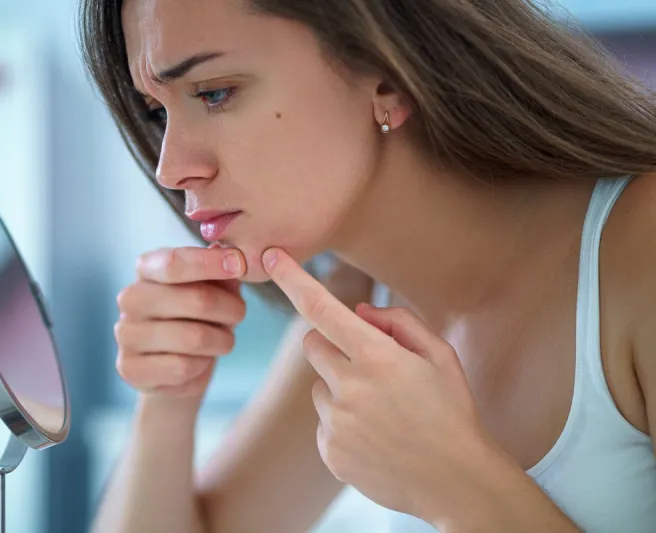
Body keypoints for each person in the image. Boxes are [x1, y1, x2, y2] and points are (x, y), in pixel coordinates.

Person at [79, 0, 656, 531]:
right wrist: (165, 400)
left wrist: (454, 482)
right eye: (157, 110)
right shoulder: (356, 309)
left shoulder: (641, 245)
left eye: (213, 93)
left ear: (387, 73)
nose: (170, 167)